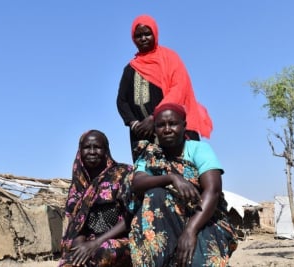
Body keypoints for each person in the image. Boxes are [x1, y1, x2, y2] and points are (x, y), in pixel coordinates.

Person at [121, 103, 237, 266]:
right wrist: (171, 178)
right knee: (155, 194)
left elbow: (213, 191)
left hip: (203, 218)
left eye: (173, 123)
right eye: (161, 125)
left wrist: (190, 231)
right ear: (155, 129)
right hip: (165, 222)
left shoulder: (199, 149)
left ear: (184, 126)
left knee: (197, 261)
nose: (167, 129)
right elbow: (137, 183)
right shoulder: (149, 155)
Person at [116, 14, 213, 161]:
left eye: (147, 34)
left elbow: (179, 88)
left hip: (170, 128)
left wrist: (155, 117)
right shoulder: (130, 69)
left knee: (182, 171)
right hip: (142, 135)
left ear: (155, 33)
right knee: (148, 176)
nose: (143, 38)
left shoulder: (169, 58)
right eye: (138, 36)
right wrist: (134, 124)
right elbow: (122, 101)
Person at [59, 130, 132, 267]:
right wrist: (80, 244)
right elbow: (77, 224)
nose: (92, 151)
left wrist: (96, 243)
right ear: (80, 151)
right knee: (71, 261)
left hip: (119, 238)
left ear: (106, 150)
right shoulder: (78, 185)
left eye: (97, 147)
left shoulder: (123, 174)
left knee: (102, 252)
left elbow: (131, 217)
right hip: (90, 240)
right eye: (87, 147)